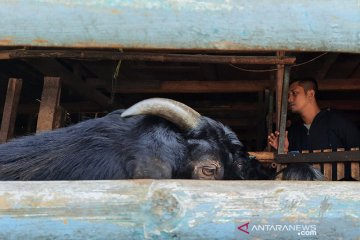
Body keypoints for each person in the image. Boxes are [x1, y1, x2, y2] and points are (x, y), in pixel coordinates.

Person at [268, 78, 360, 153]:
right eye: (288, 95)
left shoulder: (337, 121)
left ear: (310, 94)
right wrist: (283, 151)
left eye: (294, 93)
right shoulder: (293, 132)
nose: (289, 99)